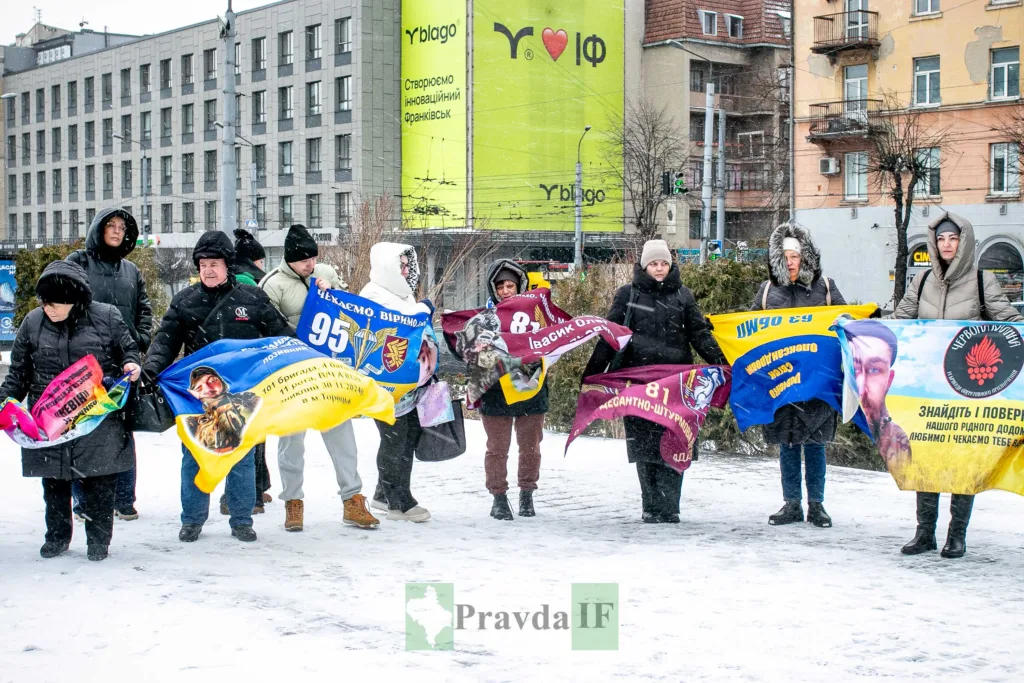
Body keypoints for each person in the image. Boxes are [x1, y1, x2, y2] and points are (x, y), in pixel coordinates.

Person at [144, 231, 293, 544]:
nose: (208, 269)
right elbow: (165, 342)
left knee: (240, 458)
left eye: (214, 263)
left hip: (242, 396)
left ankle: (241, 520)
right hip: (197, 396)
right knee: (195, 458)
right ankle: (192, 521)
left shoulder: (252, 299)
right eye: (203, 264)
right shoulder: (185, 301)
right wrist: (150, 369)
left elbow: (284, 338)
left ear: (228, 266)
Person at [893, 212, 1023, 558]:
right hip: (926, 387)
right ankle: (924, 533)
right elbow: (900, 321)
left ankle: (957, 534)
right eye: (941, 239)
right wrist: (863, 325)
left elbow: (1007, 319)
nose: (947, 245)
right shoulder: (921, 282)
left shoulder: (983, 281)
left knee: (964, 459)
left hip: (968, 388)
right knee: (926, 456)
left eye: (953, 239)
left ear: (963, 243)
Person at [0, 261, 141, 561]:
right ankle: (57, 536)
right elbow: (19, 374)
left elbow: (128, 348)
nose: (49, 309)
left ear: (74, 299)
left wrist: (131, 364)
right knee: (54, 481)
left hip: (97, 417)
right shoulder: (33, 322)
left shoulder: (107, 317)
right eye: (44, 302)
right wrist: (5, 400)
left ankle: (99, 540)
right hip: (48, 420)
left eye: (55, 303)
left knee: (100, 482)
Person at [583, 240, 726, 523]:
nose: (659, 269)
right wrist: (592, 373)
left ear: (670, 265)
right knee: (645, 445)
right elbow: (611, 337)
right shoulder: (628, 294)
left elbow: (699, 333)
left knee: (677, 439)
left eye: (663, 263)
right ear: (644, 266)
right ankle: (650, 505)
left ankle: (670, 506)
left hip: (678, 384)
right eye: (653, 263)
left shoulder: (683, 295)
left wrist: (721, 363)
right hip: (638, 384)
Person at [259, 224, 378, 531]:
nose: (310, 265)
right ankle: (293, 503)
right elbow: (267, 327)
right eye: (303, 261)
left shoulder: (323, 272)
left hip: (328, 372)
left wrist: (332, 293)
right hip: (293, 376)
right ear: (289, 259)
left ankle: (352, 500)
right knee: (291, 443)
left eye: (313, 258)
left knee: (343, 439)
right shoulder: (273, 285)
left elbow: (349, 311)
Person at [751, 223, 848, 528]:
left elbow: (845, 322)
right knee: (788, 443)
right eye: (785, 256)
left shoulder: (826, 288)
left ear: (806, 257)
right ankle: (791, 503)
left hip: (817, 380)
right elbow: (749, 328)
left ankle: (816, 505)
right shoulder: (768, 291)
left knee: (815, 444)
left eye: (795, 255)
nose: (790, 261)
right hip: (781, 378)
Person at [66, 207, 153, 522]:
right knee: (80, 430)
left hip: (123, 365)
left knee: (121, 432)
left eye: (122, 227)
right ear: (98, 229)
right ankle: (83, 500)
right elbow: (62, 300)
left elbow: (143, 307)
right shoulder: (79, 263)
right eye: (111, 226)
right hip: (83, 365)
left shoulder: (131, 270)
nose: (117, 232)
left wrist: (140, 338)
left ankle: (123, 498)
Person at [360, 242, 437, 523]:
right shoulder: (373, 294)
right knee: (395, 440)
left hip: (408, 384)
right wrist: (422, 311)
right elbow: (398, 326)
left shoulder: (402, 294)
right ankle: (398, 501)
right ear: (386, 266)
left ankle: (383, 493)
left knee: (408, 437)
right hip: (385, 385)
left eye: (407, 265)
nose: (406, 270)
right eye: (401, 265)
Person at [477, 259, 548, 521]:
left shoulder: (538, 313)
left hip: (531, 385)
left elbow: (552, 340)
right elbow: (471, 350)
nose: (506, 291)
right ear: (493, 289)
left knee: (530, 447)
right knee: (497, 447)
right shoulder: (483, 317)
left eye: (511, 285)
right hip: (495, 388)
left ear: (520, 286)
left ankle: (527, 493)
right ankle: (498, 496)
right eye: (501, 286)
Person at [227, 227, 272, 513]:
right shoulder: (256, 285)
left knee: (236, 431)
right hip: (256, 368)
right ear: (255, 261)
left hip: (228, 370)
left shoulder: (225, 282)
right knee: (254, 432)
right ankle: (250, 495)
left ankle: (253, 490)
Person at [844, 320, 911, 470]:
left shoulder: (897, 440)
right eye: (856, 367)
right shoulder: (838, 406)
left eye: (874, 370)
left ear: (889, 379)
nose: (862, 382)